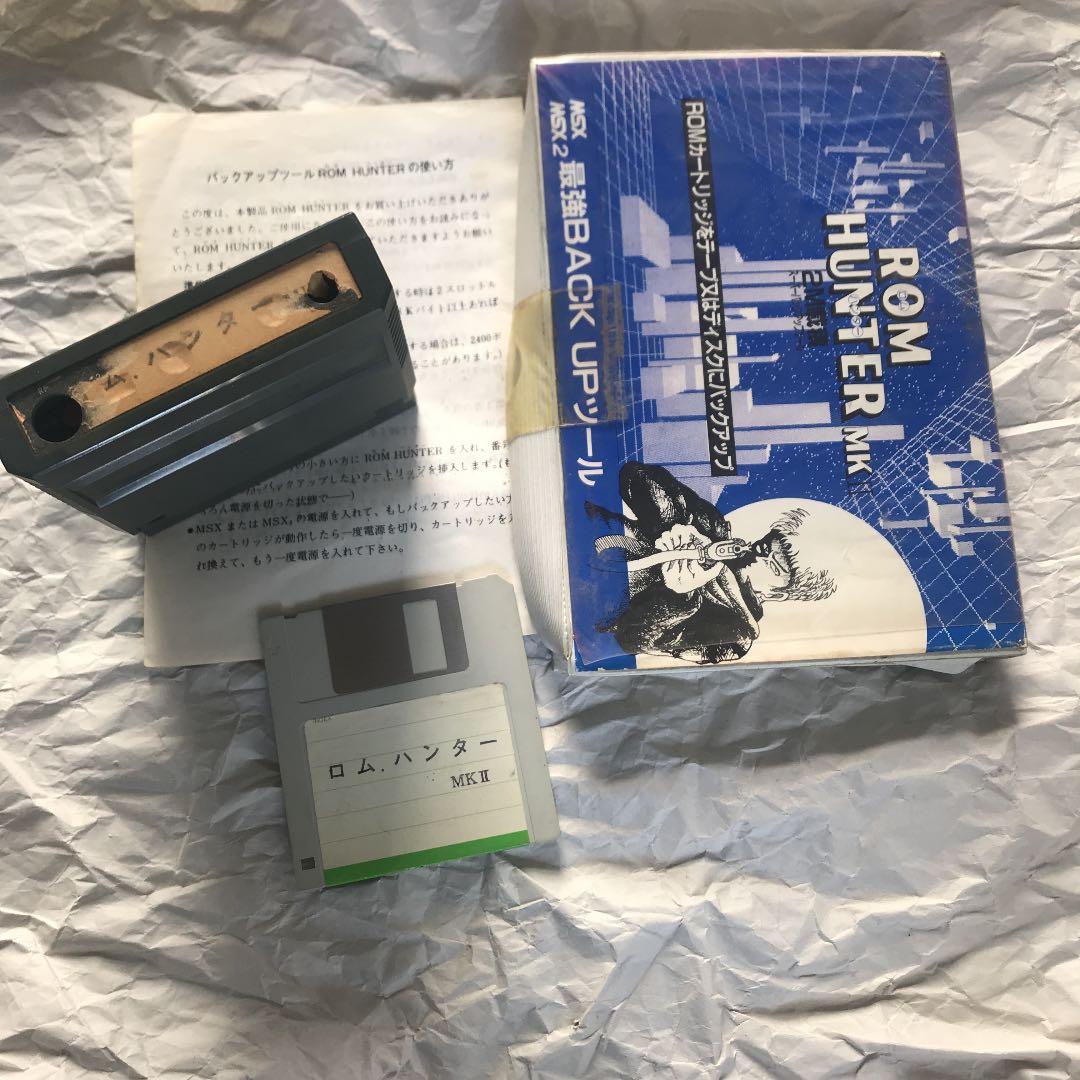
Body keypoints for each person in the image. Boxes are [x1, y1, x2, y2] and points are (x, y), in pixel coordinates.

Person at [587, 461, 836, 664]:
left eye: (774, 563)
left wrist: (680, 598)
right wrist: (672, 524)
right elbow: (635, 476)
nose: (757, 553)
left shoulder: (736, 637)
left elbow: (632, 641)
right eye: (765, 543)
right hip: (586, 536)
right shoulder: (712, 527)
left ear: (781, 594)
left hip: (591, 603)